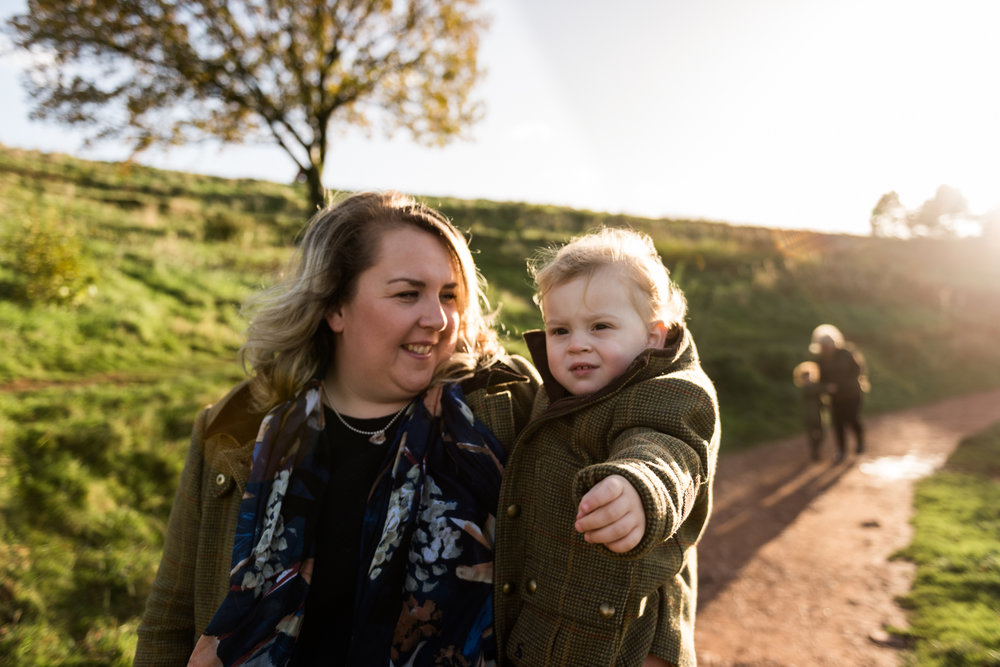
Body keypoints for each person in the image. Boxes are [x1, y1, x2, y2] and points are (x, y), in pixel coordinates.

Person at [134, 191, 541, 666]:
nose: (438, 319)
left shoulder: (504, 412)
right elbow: (170, 620)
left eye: (449, 295)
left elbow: (633, 441)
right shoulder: (234, 430)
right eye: (408, 294)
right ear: (335, 308)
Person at [493, 227, 721, 667]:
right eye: (559, 330)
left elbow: (667, 450)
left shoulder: (672, 391)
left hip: (620, 642)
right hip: (544, 629)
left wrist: (641, 489)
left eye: (600, 326)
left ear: (655, 335)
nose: (576, 343)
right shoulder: (559, 391)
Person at [809, 323, 869, 463]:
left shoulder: (846, 353)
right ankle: (842, 451)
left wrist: (842, 384)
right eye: (823, 345)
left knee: (852, 418)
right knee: (838, 423)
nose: (826, 348)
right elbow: (820, 379)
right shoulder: (820, 360)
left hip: (852, 393)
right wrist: (826, 388)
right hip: (835, 397)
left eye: (828, 344)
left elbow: (858, 371)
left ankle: (860, 441)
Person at [792, 360, 825, 460]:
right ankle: (814, 451)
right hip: (809, 415)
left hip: (818, 415)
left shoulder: (815, 386)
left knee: (821, 434)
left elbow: (821, 398)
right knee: (811, 435)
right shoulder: (804, 389)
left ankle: (816, 449)